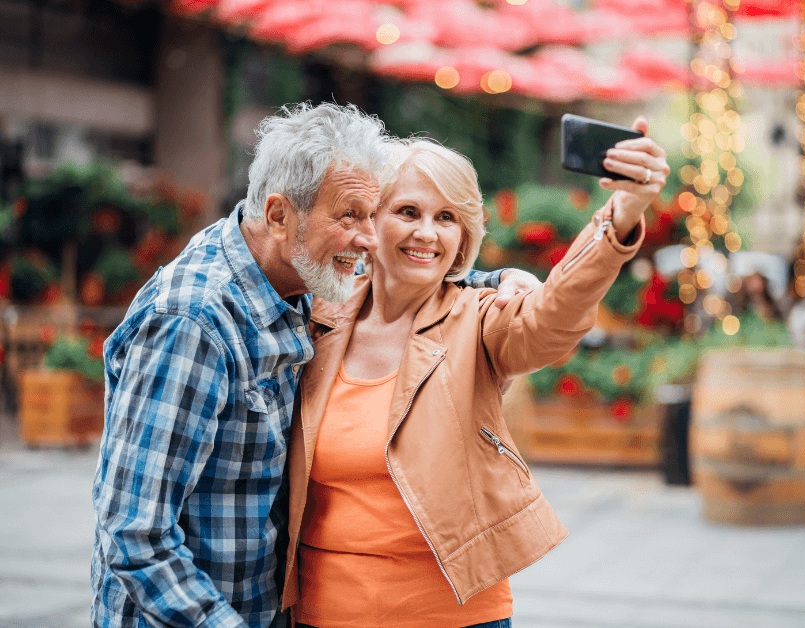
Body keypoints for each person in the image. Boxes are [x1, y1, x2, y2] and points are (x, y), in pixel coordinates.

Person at [90, 102, 539, 628]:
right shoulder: (194, 322)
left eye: (374, 215)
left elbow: (409, 271)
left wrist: (500, 279)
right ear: (279, 215)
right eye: (350, 215)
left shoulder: (298, 272)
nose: (370, 237)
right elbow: (135, 535)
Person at [282, 119, 668, 627]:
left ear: (463, 234)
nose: (427, 232)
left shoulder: (481, 319)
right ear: (371, 221)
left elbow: (553, 316)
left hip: (453, 617)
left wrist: (620, 216)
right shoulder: (316, 319)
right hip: (322, 614)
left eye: (446, 217)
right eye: (407, 211)